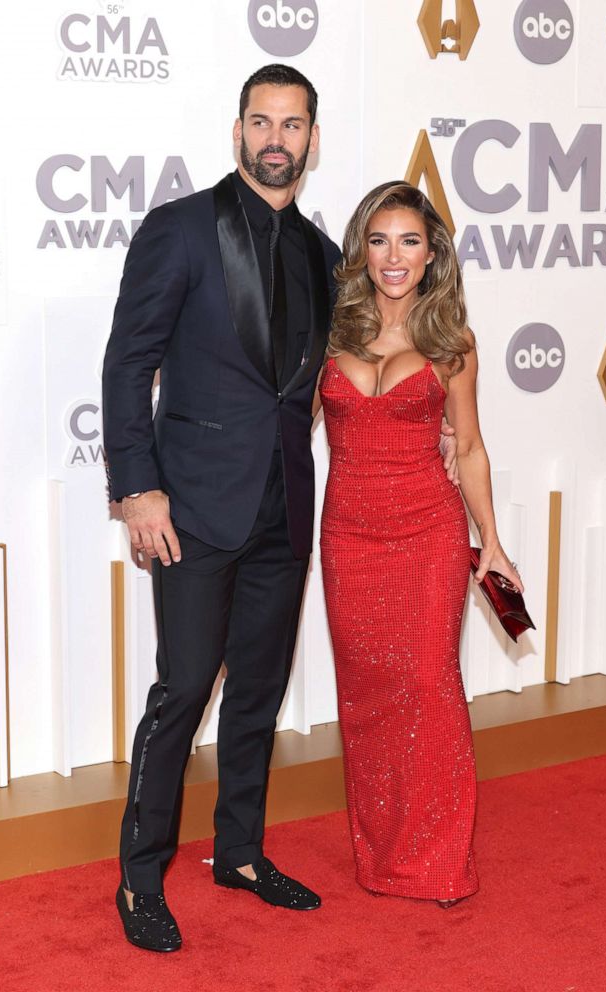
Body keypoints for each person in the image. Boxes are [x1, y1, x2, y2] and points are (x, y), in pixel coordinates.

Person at [102, 64, 341, 952]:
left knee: (258, 694)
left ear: (313, 140)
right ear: (237, 131)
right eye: (261, 121)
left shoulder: (325, 256)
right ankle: (138, 877)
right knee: (185, 688)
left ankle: (238, 851)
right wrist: (136, 487)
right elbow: (128, 363)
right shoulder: (180, 231)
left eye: (293, 125)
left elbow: (318, 387)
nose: (275, 139)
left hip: (284, 509)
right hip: (192, 507)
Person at [317, 181, 523, 908]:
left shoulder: (451, 341)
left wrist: (490, 540)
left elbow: (467, 447)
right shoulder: (331, 330)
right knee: (369, 695)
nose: (393, 256)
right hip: (348, 534)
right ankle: (380, 856)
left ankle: (438, 860)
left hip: (427, 532)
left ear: (432, 253)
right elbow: (282, 427)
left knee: (429, 689)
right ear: (360, 250)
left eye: (409, 241)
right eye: (379, 240)